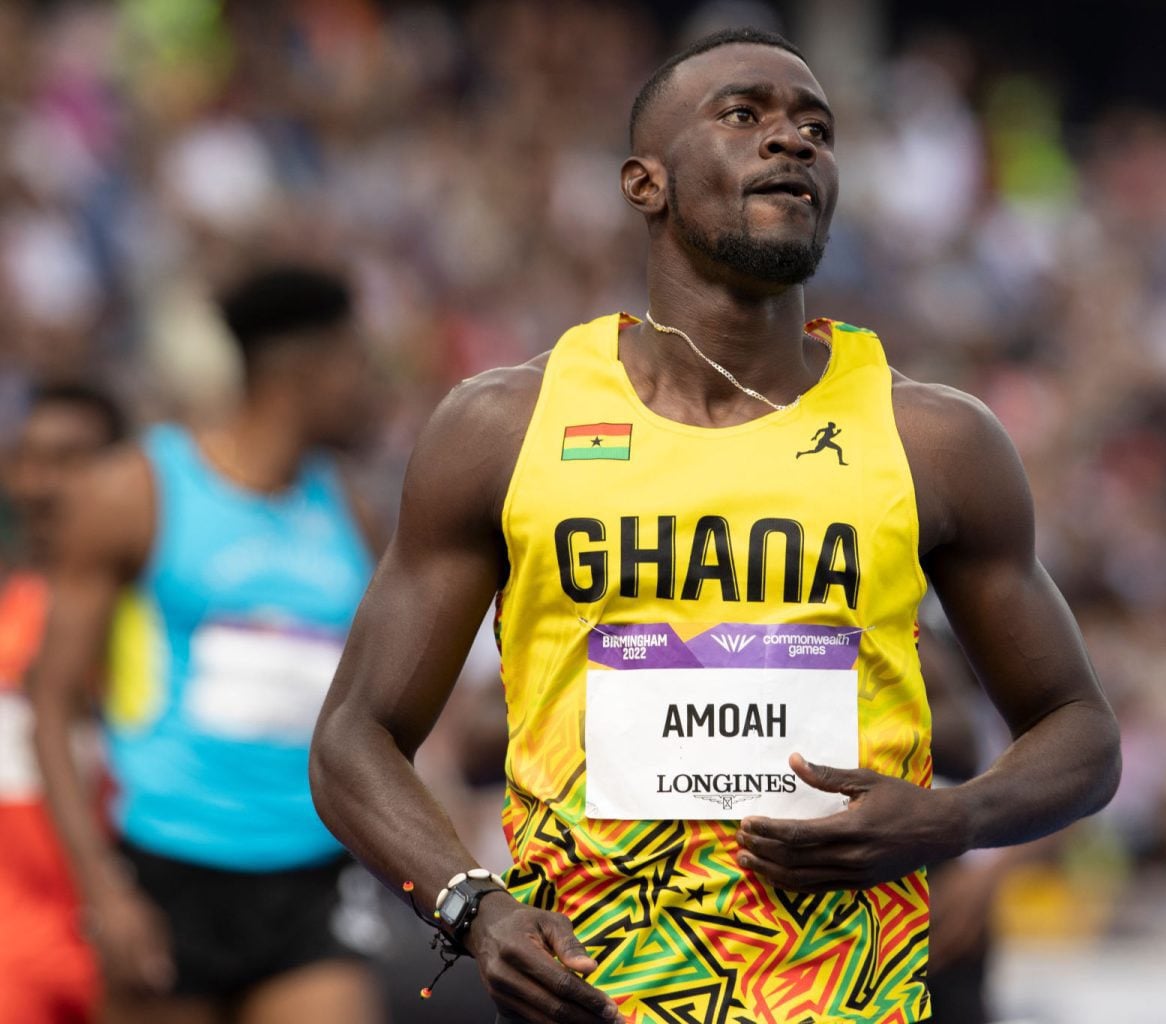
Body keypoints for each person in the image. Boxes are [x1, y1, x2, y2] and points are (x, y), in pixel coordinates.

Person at [310, 27, 1120, 1024]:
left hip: (848, 1001)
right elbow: (352, 739)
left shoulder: (935, 440)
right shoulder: (503, 428)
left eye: (817, 129)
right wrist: (475, 909)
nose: (793, 141)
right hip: (596, 1000)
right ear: (644, 183)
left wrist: (954, 818)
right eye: (745, 115)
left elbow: (1081, 731)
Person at [30, 266, 385, 1024]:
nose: (372, 390)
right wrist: (101, 889)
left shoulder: (348, 506)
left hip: (309, 867)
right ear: (301, 373)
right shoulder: (138, 490)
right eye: (357, 366)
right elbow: (52, 703)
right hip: (168, 862)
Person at [0, 383, 126, 1024]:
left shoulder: (165, 626)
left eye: (72, 461)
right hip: (15, 967)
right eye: (31, 460)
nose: (44, 484)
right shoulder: (6, 615)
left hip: (141, 948)